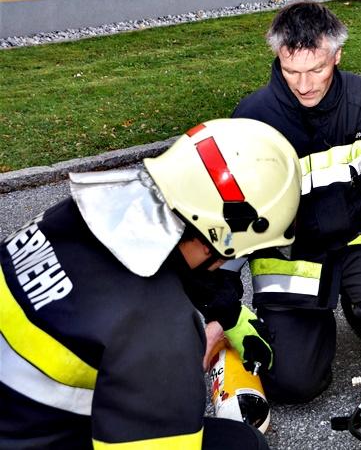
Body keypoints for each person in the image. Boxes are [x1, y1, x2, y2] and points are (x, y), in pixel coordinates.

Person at [0, 119, 301, 449]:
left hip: (20, 415)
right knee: (244, 444)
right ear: (220, 244)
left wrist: (227, 314)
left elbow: (168, 259)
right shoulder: (159, 331)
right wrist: (175, 375)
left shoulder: (82, 213)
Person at [228, 1, 361, 403]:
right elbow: (230, 217)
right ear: (278, 58)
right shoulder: (251, 119)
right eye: (291, 71)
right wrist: (222, 308)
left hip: (357, 239)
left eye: (316, 69)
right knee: (292, 384)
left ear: (337, 55)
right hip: (292, 261)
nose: (304, 85)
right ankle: (310, 330)